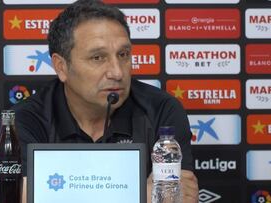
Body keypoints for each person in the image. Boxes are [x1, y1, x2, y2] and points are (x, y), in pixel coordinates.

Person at [13, 0, 198, 202]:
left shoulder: (161, 109)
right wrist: (138, 195)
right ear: (61, 67)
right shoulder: (29, 117)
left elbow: (179, 196)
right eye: (98, 58)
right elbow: (21, 197)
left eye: (123, 55)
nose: (117, 72)